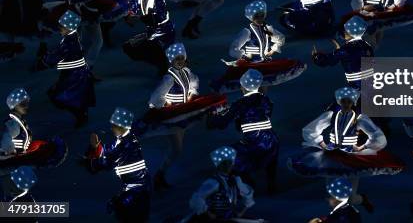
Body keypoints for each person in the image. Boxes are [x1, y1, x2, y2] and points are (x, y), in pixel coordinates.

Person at [289, 87, 400, 212]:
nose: (346, 104)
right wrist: (323, 144)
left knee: (350, 198)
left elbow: (377, 136)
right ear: (339, 102)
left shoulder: (359, 118)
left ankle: (360, 200)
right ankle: (339, 216)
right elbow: (310, 129)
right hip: (332, 155)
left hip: (351, 157)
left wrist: (363, 147)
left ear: (353, 103)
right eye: (343, 102)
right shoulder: (331, 115)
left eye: (349, 102)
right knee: (334, 193)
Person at [208, 69, 279, 194]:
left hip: (254, 142)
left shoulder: (240, 103)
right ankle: (271, 184)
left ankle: (248, 183)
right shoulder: (267, 100)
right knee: (269, 154)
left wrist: (213, 116)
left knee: (228, 156)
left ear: (242, 86)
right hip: (272, 140)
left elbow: (223, 123)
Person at [148, 42, 199, 191]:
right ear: (171, 61)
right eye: (177, 59)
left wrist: (192, 94)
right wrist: (166, 104)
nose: (180, 61)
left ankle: (160, 175)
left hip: (182, 115)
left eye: (182, 58)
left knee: (177, 149)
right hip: (172, 117)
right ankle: (159, 175)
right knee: (177, 149)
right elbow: (155, 98)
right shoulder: (168, 78)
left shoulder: (187, 72)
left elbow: (194, 83)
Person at [86, 108, 151, 223]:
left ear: (122, 127)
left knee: (123, 209)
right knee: (121, 207)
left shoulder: (128, 144)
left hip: (138, 188)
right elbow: (108, 150)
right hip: (133, 186)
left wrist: (91, 163)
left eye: (114, 126)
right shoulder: (121, 140)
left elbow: (109, 162)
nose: (111, 128)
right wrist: (96, 147)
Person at [36, 10, 95, 127]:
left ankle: (81, 115)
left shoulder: (69, 42)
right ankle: (81, 113)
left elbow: (57, 55)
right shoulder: (72, 38)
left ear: (69, 27)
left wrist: (44, 60)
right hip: (76, 73)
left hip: (74, 75)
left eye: (62, 26)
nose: (59, 28)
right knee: (72, 96)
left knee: (61, 97)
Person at [123, 0, 176, 75]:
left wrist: (141, 18)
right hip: (151, 30)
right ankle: (158, 61)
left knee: (150, 45)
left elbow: (160, 16)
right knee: (129, 46)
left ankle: (162, 63)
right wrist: (129, 14)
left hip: (163, 30)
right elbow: (134, 6)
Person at [186, 146, 255, 222]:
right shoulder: (213, 182)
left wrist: (241, 212)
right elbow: (196, 198)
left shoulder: (235, 181)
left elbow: (248, 194)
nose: (228, 166)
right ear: (219, 165)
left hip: (229, 217)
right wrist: (208, 213)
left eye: (230, 163)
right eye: (224, 163)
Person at [312, 16, 374, 90]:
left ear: (349, 32)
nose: (343, 32)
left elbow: (329, 60)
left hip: (357, 87)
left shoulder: (346, 50)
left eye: (345, 30)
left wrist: (316, 56)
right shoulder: (367, 46)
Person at [1, 88, 32, 157]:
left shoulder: (19, 121)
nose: (26, 106)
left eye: (27, 103)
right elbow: (6, 139)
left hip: (21, 154)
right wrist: (12, 152)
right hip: (15, 158)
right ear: (14, 106)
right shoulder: (13, 123)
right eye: (23, 104)